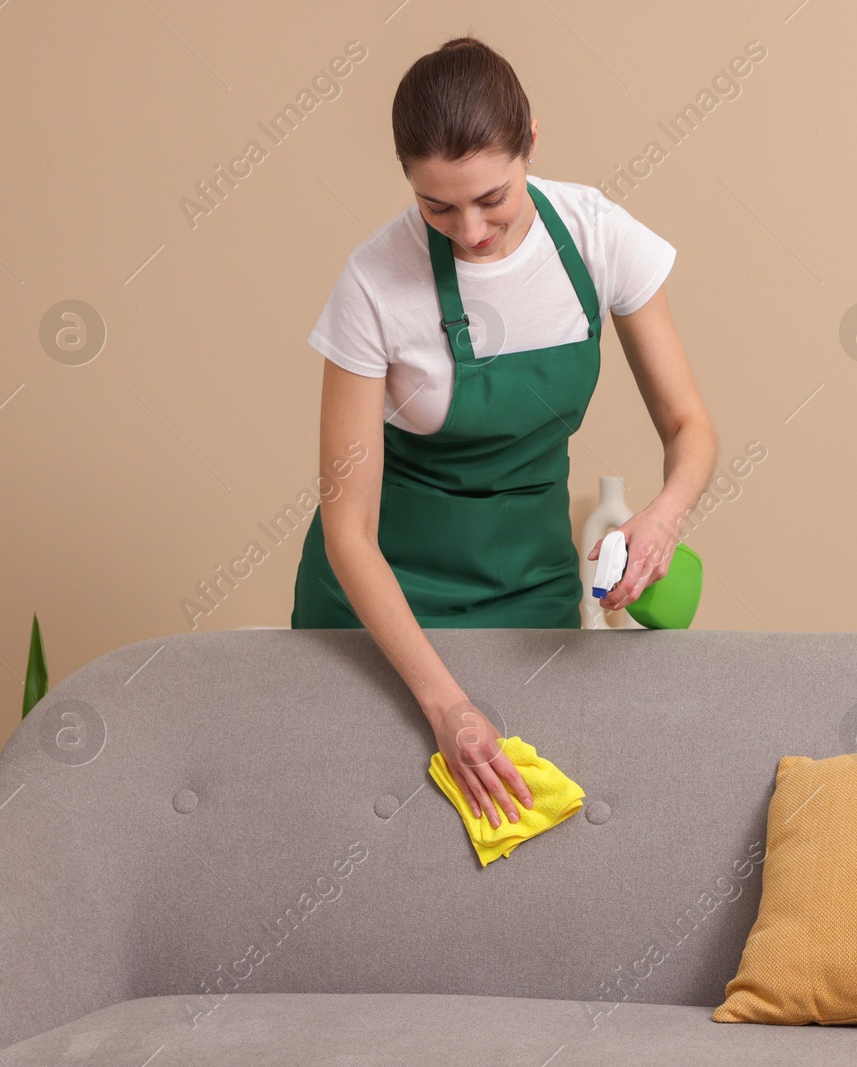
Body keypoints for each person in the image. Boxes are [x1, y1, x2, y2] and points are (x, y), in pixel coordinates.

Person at [289, 36, 717, 830]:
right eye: (437, 206)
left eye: (493, 197)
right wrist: (446, 704)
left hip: (527, 585)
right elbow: (348, 531)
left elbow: (690, 427)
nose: (472, 230)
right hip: (379, 604)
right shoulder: (373, 284)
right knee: (364, 840)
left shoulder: (595, 236)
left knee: (524, 834)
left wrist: (664, 516)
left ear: (530, 142)